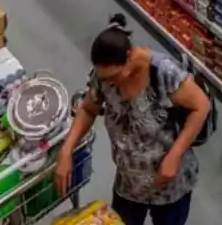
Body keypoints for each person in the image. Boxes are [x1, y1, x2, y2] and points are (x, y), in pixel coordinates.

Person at [55, 15, 209, 225]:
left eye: (113, 77)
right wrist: (66, 150)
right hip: (129, 185)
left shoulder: (163, 72)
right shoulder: (102, 77)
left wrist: (175, 155)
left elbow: (201, 106)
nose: (108, 83)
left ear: (129, 57)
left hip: (168, 186)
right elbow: (89, 109)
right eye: (104, 78)